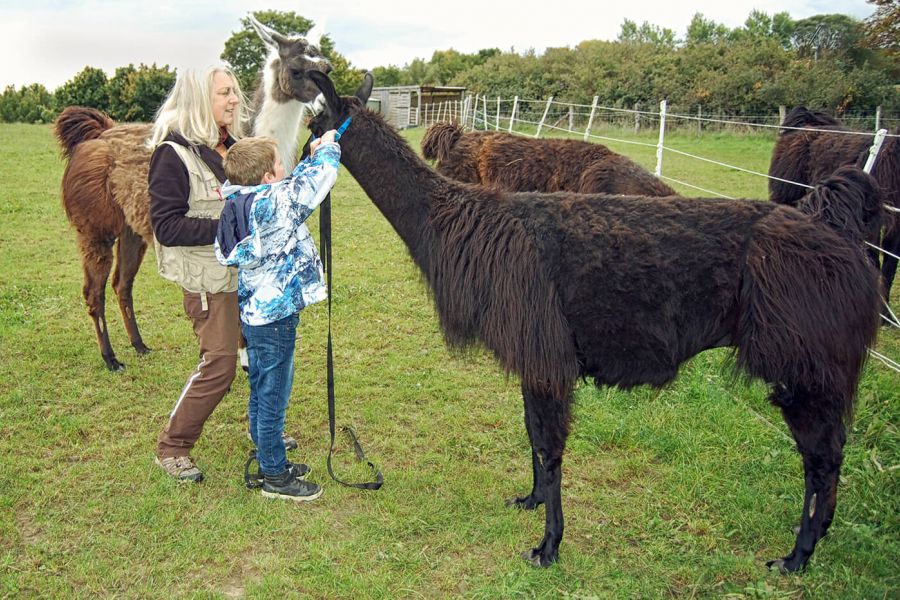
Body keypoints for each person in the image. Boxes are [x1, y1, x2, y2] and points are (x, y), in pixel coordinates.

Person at [148, 66, 297, 483]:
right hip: (209, 284)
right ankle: (173, 446)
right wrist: (230, 227)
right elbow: (166, 227)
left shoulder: (231, 145)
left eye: (234, 91)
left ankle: (262, 433)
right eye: (224, 93)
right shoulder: (171, 155)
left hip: (247, 278)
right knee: (220, 364)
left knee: (261, 358)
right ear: (199, 99)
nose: (235, 100)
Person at [215, 130, 341, 501]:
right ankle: (275, 475)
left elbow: (288, 187)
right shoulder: (274, 204)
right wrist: (328, 148)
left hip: (256, 314)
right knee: (273, 395)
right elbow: (316, 182)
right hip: (276, 318)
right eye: (280, 164)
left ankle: (268, 457)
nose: (285, 167)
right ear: (268, 176)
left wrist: (309, 155)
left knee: (261, 389)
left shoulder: (242, 200)